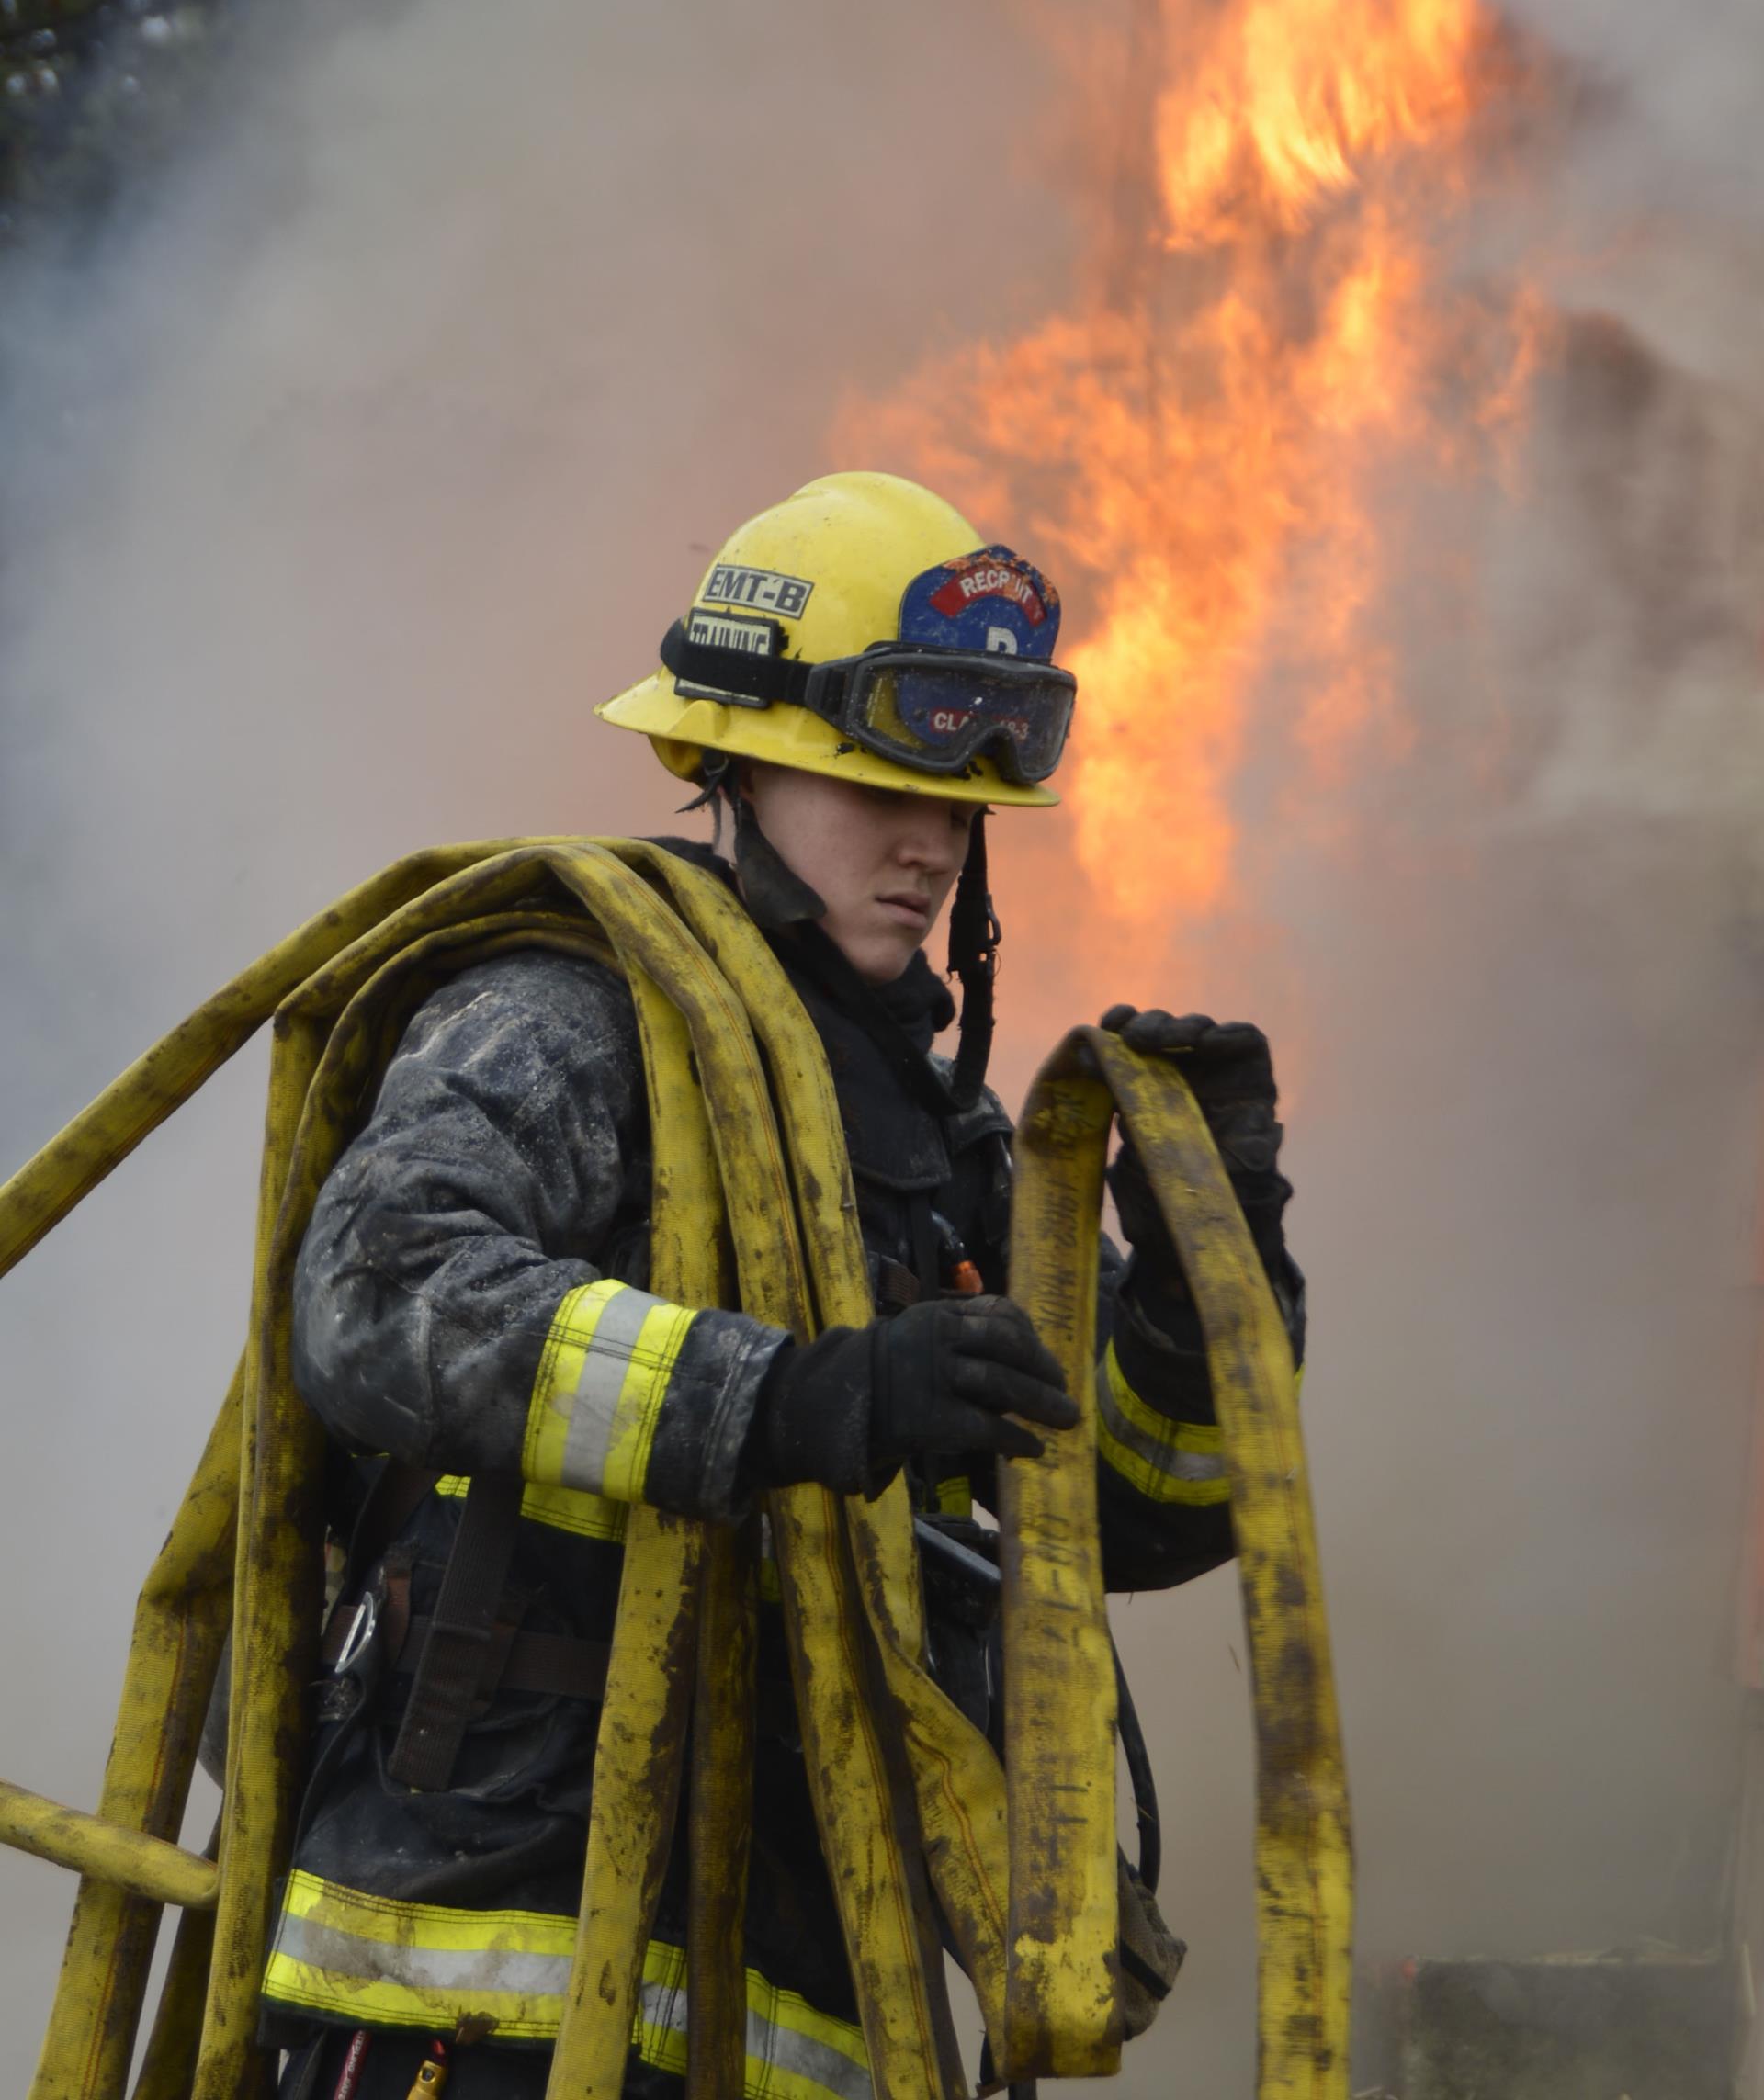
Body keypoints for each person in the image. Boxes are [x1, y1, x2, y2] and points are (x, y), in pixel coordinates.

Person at [260, 471, 1306, 2099]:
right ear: (732, 758)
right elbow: (381, 1292)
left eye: (961, 801)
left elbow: (1151, 1509)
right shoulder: (580, 1015)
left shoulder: (948, 1150)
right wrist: (791, 1398)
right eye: (875, 780)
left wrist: (1205, 1271)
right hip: (484, 1998)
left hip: (815, 2015)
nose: (932, 841)